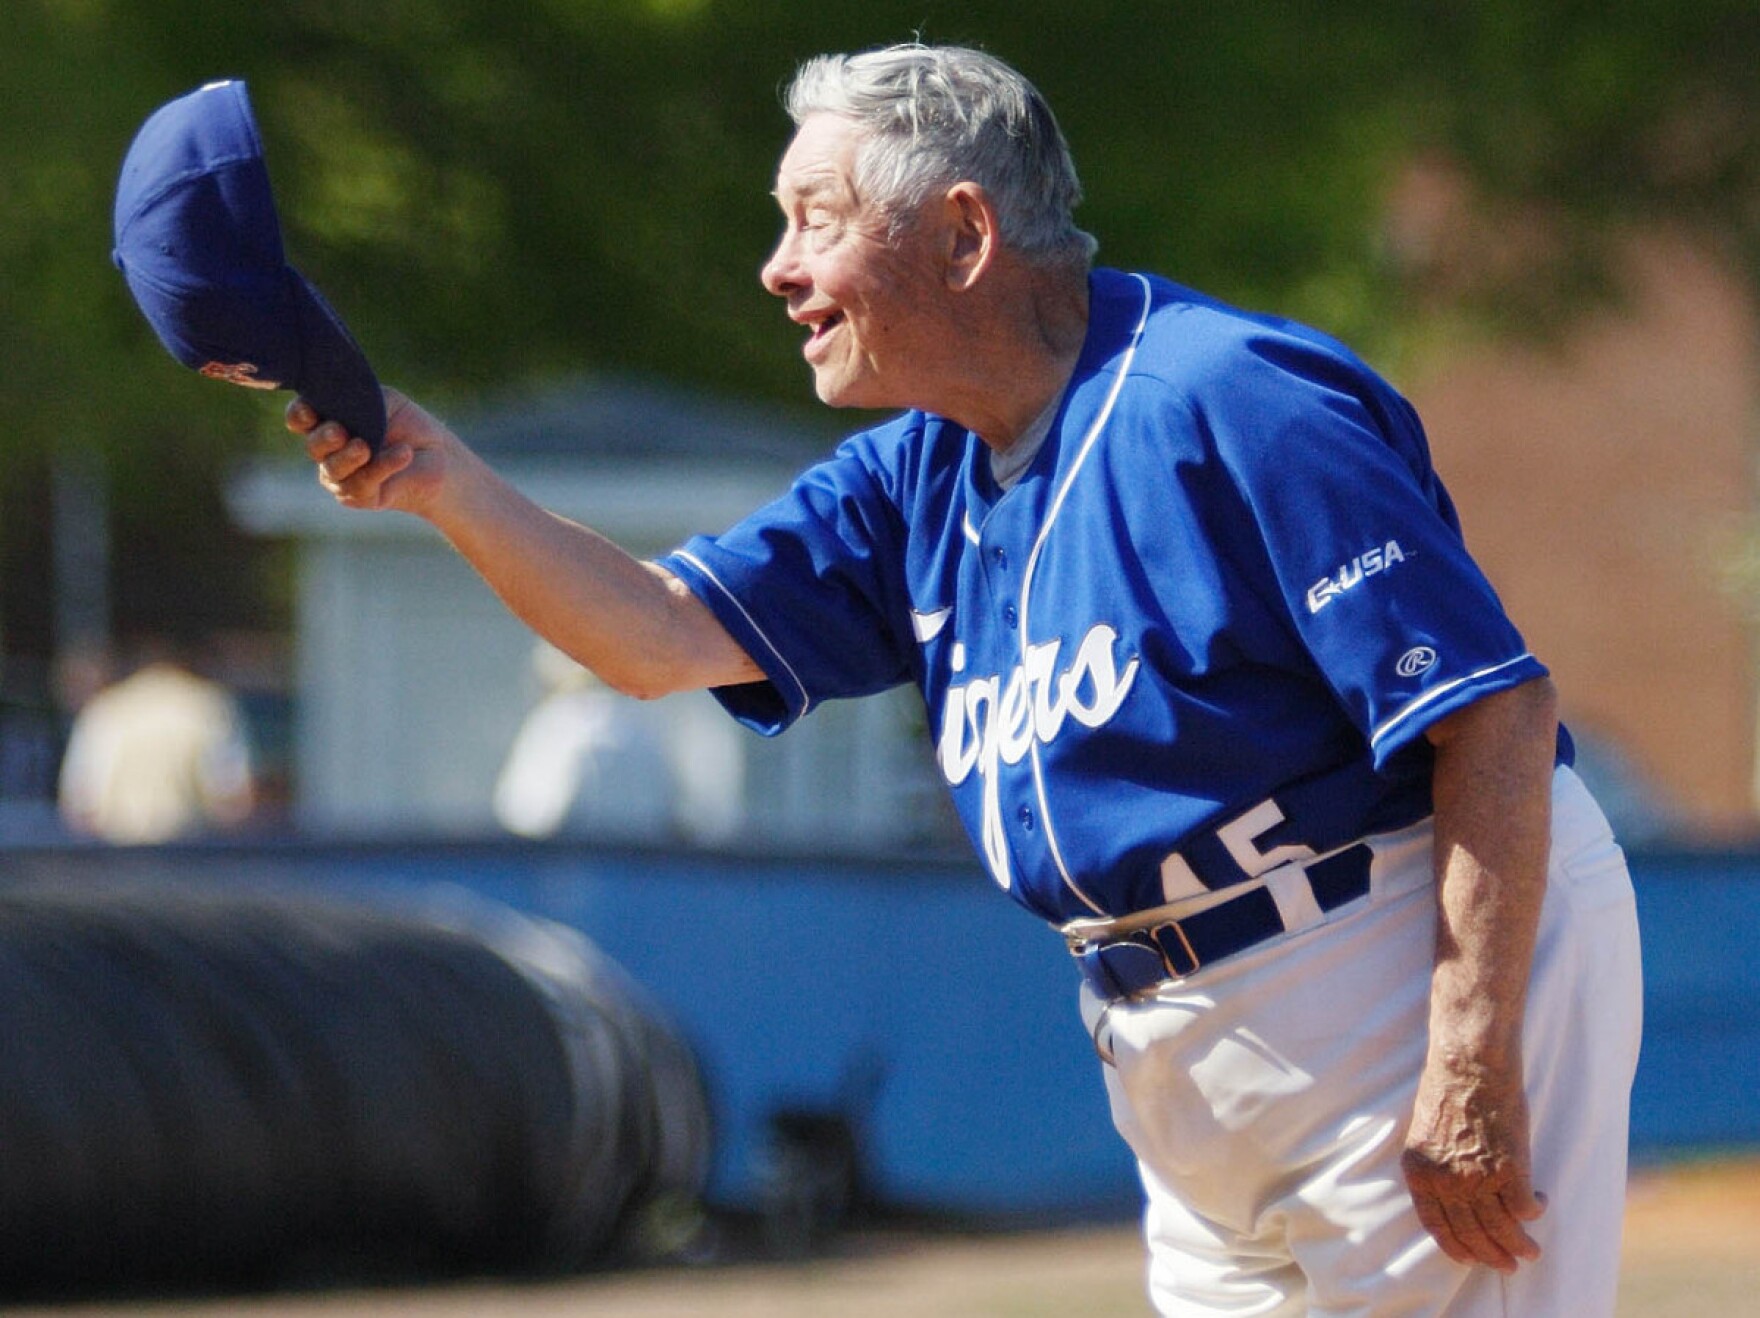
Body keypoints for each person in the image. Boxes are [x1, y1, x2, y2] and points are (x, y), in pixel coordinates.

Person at [288, 44, 1642, 1316]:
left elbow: (1494, 709)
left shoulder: (1229, 398)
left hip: (1393, 943)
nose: (775, 266)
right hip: (1178, 1037)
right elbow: (650, 633)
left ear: (961, 236)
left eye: (813, 216)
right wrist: (442, 479)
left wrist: (1470, 1055)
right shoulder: (915, 471)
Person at [57, 638, 255, 844]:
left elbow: (82, 802)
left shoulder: (106, 709)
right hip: (190, 856)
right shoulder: (209, 707)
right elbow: (232, 800)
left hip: (119, 857)